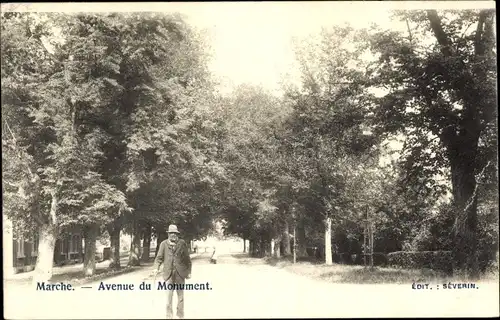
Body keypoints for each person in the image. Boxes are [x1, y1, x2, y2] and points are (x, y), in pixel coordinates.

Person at [152, 224, 192, 319]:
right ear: (168, 234)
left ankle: (180, 315)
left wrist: (189, 271)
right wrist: (155, 268)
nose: (173, 235)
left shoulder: (182, 243)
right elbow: (159, 258)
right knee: (168, 298)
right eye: (171, 233)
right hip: (168, 275)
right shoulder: (163, 244)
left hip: (180, 274)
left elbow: (187, 259)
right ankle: (169, 316)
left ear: (177, 234)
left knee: (180, 296)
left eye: (175, 233)